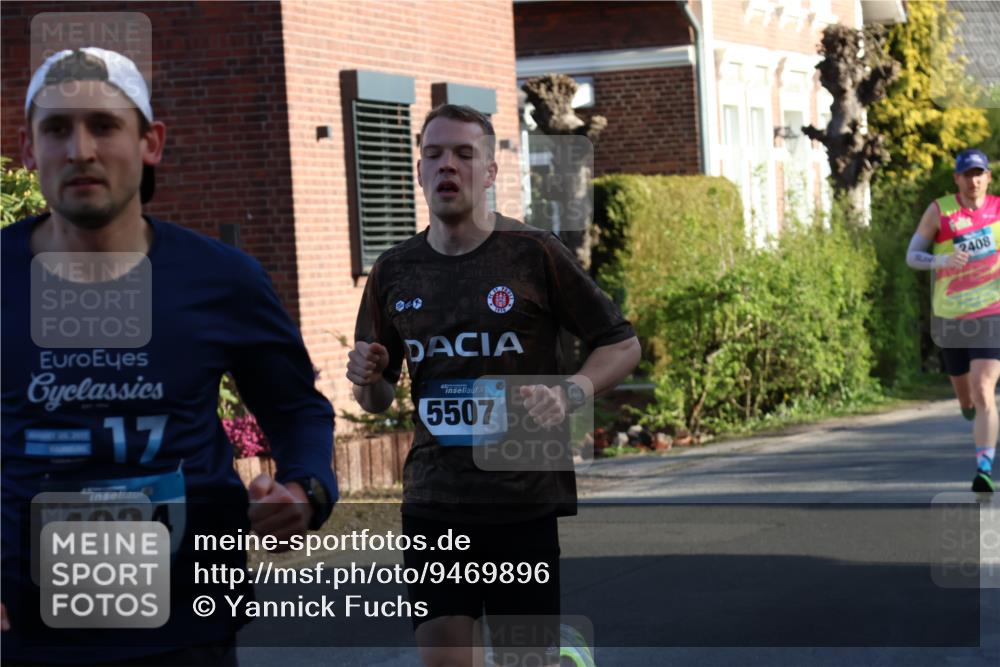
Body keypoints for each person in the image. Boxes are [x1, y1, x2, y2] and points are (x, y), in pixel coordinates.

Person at [1, 47, 337, 664]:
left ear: (150, 141)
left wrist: (306, 489)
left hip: (186, 626)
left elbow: (297, 411)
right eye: (56, 129)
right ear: (28, 151)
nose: (80, 150)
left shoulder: (222, 278)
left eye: (104, 125)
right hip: (23, 628)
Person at [348, 104, 641, 667]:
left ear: (489, 171)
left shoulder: (533, 253)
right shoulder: (394, 270)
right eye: (433, 154)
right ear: (419, 170)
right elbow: (378, 395)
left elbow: (622, 344)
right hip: (434, 500)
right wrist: (367, 380)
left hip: (521, 498)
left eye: (464, 154)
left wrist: (571, 392)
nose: (447, 166)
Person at [906, 148, 1000, 493]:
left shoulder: (999, 209)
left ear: (988, 177)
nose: (974, 181)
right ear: (957, 179)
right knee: (965, 394)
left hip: (992, 310)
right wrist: (939, 262)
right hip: (951, 314)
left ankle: (984, 467)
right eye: (967, 175)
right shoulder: (940, 211)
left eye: (980, 174)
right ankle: (967, 407)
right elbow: (912, 256)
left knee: (984, 388)